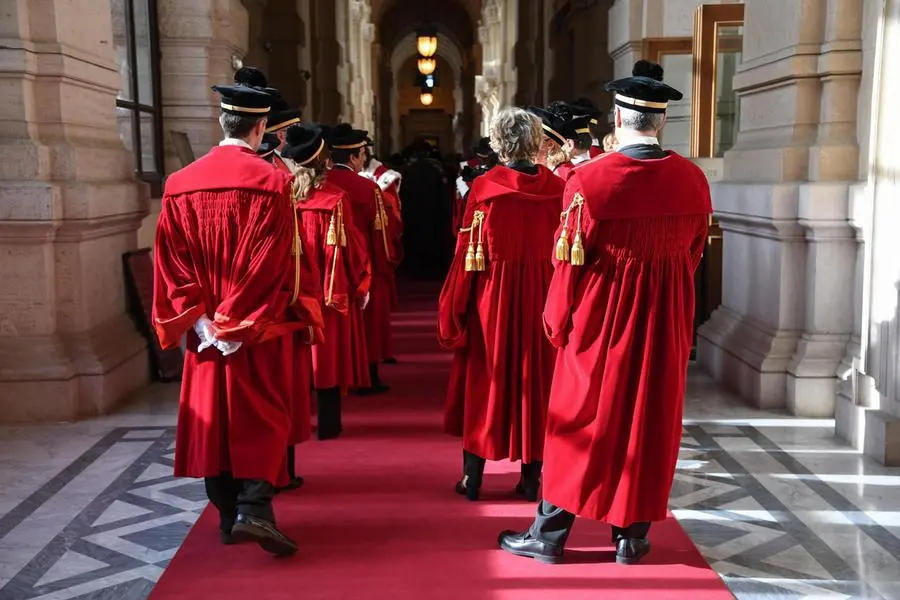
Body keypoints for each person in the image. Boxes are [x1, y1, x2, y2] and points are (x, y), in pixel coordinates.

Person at [498, 59, 712, 566]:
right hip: (665, 322)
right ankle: (631, 537)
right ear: (661, 122)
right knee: (647, 420)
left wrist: (556, 322)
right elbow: (694, 253)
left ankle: (549, 535)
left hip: (600, 322)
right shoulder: (693, 180)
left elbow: (568, 261)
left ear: (618, 118)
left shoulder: (590, 182)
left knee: (579, 419)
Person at [152, 82, 307, 556]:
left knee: (213, 417)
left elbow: (169, 260)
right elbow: (270, 260)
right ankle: (255, 508)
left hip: (204, 330)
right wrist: (237, 321)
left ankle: (225, 519)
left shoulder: (180, 183)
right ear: (261, 128)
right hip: (254, 325)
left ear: (223, 123)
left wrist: (201, 322)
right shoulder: (272, 182)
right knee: (261, 410)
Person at [439, 107, 565, 502]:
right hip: (543, 296)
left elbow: (466, 255)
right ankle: (531, 480)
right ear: (536, 142)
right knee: (536, 383)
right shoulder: (560, 189)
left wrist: (453, 307)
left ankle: (472, 479)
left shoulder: (484, 189)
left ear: (497, 143)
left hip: (492, 297)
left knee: (485, 380)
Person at [283, 123, 370, 439]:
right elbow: (354, 250)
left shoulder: (284, 197)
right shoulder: (335, 199)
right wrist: (361, 284)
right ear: (325, 162)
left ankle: (297, 423)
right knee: (327, 358)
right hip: (327, 290)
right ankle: (329, 425)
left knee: (295, 358)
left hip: (292, 291)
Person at [327, 124, 398, 395]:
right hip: (363, 264)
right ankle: (367, 375)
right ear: (356, 156)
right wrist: (385, 264)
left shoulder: (320, 184)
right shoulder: (368, 189)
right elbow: (380, 233)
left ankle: (333, 378)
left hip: (328, 266)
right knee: (367, 323)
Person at [360, 139, 404, 364]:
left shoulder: (385, 177)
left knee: (377, 308)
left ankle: (378, 352)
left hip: (374, 249)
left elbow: (393, 219)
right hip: (359, 248)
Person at [526, 106, 570, 175]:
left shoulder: (564, 175)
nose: (526, 148)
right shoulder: (545, 173)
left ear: (550, 145)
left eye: (531, 142)